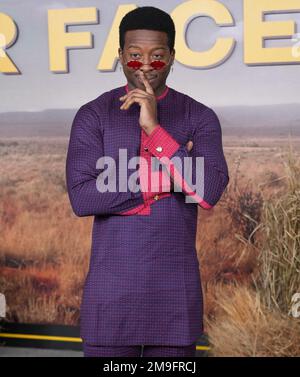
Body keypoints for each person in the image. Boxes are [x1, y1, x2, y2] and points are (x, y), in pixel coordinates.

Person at [65, 6, 229, 357]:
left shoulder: (199, 116)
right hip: (110, 296)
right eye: (135, 55)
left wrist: (154, 130)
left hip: (174, 294)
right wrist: (170, 178)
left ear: (172, 57)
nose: (145, 66)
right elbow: (82, 198)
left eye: (157, 57)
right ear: (120, 55)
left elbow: (210, 190)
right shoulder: (93, 115)